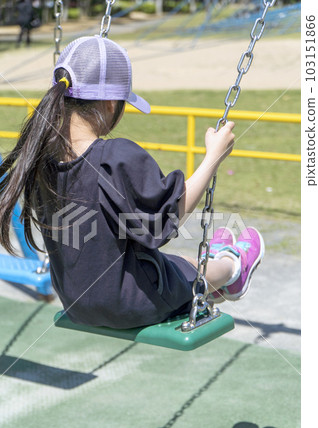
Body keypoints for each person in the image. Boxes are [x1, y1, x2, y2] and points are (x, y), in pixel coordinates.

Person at [0, 36, 264, 329]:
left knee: (174, 262)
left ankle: (212, 258)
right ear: (111, 104)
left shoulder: (39, 158)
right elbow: (164, 222)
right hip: (133, 304)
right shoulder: (116, 157)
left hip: (75, 301)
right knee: (183, 268)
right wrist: (213, 157)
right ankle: (232, 268)